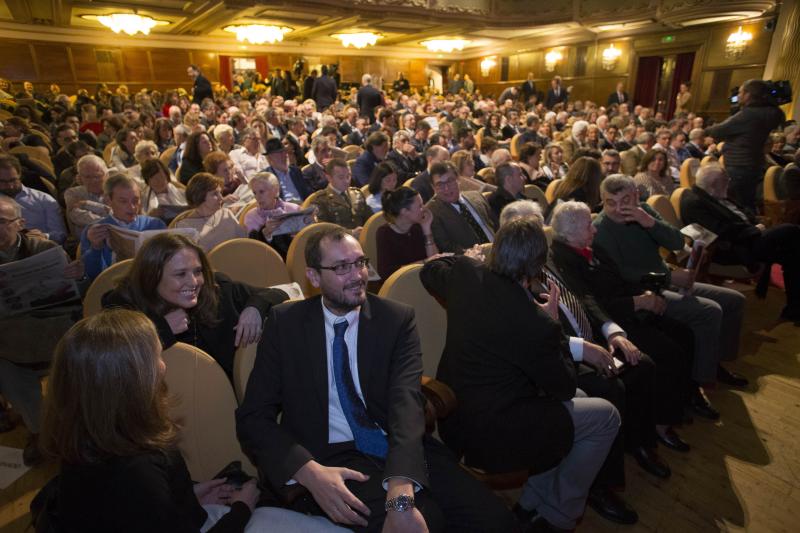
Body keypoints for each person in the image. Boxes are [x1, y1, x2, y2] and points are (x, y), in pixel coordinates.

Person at [236, 225, 515, 532]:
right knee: (429, 521)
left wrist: (400, 491)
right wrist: (309, 473)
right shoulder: (286, 325)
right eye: (341, 267)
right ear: (314, 277)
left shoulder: (395, 319)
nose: (357, 275)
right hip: (328, 459)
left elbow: (406, 407)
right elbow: (253, 417)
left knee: (495, 520)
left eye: (360, 262)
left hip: (396, 445)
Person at [39, 308, 339, 532]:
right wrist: (241, 508)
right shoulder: (135, 471)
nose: (163, 366)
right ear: (125, 383)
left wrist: (187, 494)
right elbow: (142, 500)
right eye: (155, 358)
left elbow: (140, 514)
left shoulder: (90, 440)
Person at [420, 218, 620, 532]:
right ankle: (559, 516)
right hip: (494, 435)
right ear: (537, 267)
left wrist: (468, 259)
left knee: (581, 403)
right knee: (606, 417)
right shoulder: (536, 323)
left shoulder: (465, 274)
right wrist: (553, 327)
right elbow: (564, 386)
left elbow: (429, 270)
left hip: (457, 419)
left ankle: (531, 502)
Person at [593, 175, 748, 417]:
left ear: (636, 195)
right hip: (647, 289)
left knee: (734, 301)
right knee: (709, 312)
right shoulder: (602, 228)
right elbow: (622, 274)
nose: (618, 208)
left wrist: (648, 222)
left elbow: (677, 241)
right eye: (610, 202)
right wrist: (668, 278)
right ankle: (696, 385)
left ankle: (714, 360)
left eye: (625, 200)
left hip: (667, 278)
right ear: (602, 201)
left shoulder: (644, 210)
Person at [103, 234, 289, 379]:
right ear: (153, 276)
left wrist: (255, 308)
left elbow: (280, 293)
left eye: (197, 271)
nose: (193, 282)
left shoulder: (217, 289)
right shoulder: (124, 305)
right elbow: (113, 363)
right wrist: (160, 329)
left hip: (220, 401)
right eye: (180, 274)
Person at [0, 195, 83, 467]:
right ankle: (38, 430)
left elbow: (73, 295)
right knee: (8, 369)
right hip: (9, 337)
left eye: (2, 222)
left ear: (19, 223)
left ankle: (75, 427)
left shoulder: (44, 249)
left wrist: (76, 275)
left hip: (51, 328)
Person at [681, 163, 800, 322]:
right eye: (725, 180)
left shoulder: (718, 194)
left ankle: (793, 309)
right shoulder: (695, 202)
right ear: (713, 184)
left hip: (750, 236)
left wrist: (756, 224)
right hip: (736, 247)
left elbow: (745, 213)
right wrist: (756, 230)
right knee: (790, 229)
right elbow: (721, 231)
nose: (728, 183)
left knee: (792, 253)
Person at [705, 79, 785, 212]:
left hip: (739, 166)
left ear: (749, 95)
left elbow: (719, 130)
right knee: (747, 201)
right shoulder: (769, 113)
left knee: (738, 205)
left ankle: (747, 230)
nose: (738, 96)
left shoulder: (749, 114)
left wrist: (706, 130)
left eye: (741, 92)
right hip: (752, 164)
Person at [80, 173, 166, 280]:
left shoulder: (156, 225)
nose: (132, 207)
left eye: (135, 201)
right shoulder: (94, 230)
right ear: (108, 201)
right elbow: (94, 276)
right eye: (123, 201)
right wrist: (95, 248)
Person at [426, 161, 496, 254]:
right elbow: (446, 247)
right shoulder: (432, 213)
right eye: (440, 185)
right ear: (433, 187)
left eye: (450, 181)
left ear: (458, 179)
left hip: (500, 250)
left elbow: (496, 226)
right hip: (472, 261)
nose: (446, 188)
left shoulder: (477, 196)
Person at [375, 186, 438, 279]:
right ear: (404, 211)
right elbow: (387, 273)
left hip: (423, 278)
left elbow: (434, 259)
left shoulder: (418, 226)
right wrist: (424, 262)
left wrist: (426, 228)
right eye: (420, 206)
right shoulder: (384, 234)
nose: (424, 208)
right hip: (402, 284)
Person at [0, 155, 66, 244]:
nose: (10, 186)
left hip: (39, 248)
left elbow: (61, 235)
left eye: (13, 180)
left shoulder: (45, 200)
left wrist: (44, 236)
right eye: (3, 182)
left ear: (20, 175)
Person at [174, 172, 247, 252]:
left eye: (220, 192)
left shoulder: (225, 213)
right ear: (199, 196)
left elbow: (244, 240)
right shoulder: (184, 226)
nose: (221, 198)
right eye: (215, 194)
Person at [243, 172, 302, 259]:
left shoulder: (294, 209)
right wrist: (265, 232)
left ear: (275, 190)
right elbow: (255, 249)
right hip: (270, 262)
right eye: (255, 193)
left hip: (298, 256)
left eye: (261, 192)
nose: (257, 197)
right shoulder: (251, 216)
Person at [310, 159, 373, 237]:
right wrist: (351, 233)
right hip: (338, 244)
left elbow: (370, 220)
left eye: (348, 176)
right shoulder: (321, 200)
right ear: (329, 178)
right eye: (341, 177)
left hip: (364, 239)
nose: (346, 181)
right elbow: (323, 230)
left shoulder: (357, 194)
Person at [64, 154, 111, 238]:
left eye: (97, 176)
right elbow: (77, 217)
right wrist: (111, 220)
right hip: (87, 244)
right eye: (87, 177)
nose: (93, 181)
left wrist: (87, 204)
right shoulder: (73, 193)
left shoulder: (116, 192)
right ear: (79, 178)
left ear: (107, 176)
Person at [263, 138, 314, 203]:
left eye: (284, 152)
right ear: (270, 158)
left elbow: (307, 192)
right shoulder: (266, 177)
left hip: (303, 206)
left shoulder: (295, 171)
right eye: (279, 154)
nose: (283, 156)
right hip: (283, 210)